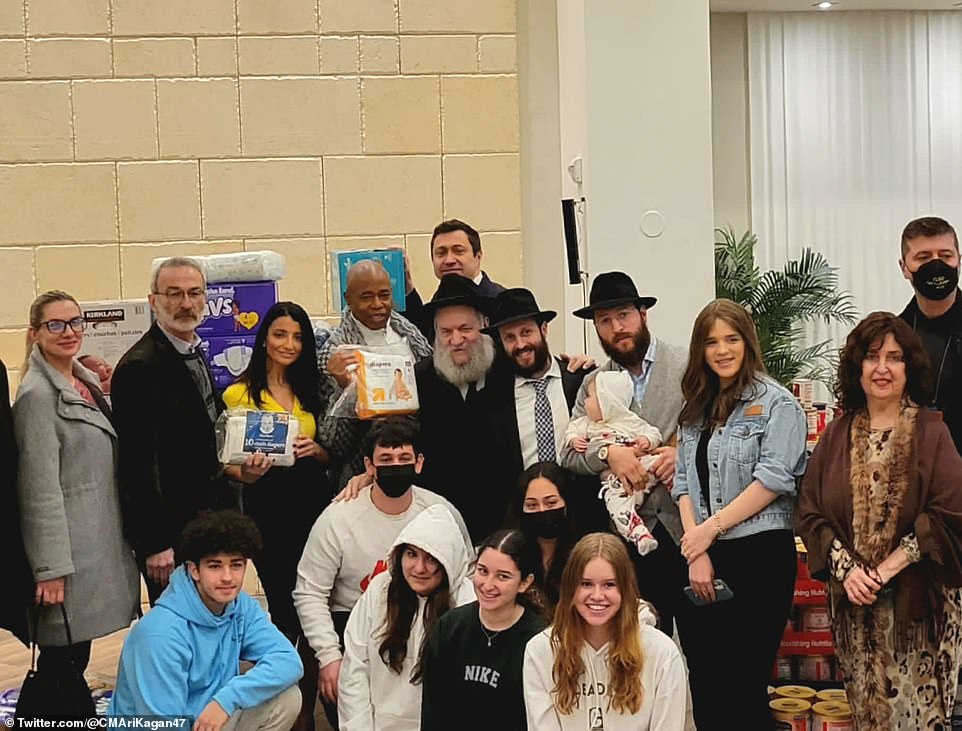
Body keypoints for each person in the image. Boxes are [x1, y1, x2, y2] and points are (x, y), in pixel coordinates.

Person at [797, 312, 962, 729]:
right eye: (872, 357)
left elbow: (950, 513)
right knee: (868, 719)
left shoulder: (932, 432)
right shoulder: (835, 435)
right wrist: (848, 570)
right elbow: (810, 512)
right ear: (858, 367)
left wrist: (886, 569)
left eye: (895, 357)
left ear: (911, 367)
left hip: (919, 616)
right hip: (854, 614)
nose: (883, 368)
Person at [672, 298, 806, 731]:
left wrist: (710, 530)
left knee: (743, 687)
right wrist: (697, 550)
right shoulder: (694, 408)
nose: (722, 350)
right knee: (706, 684)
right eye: (711, 342)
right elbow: (683, 483)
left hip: (759, 556)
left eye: (731, 339)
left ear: (747, 342)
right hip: (702, 557)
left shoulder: (777, 404)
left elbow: (772, 480)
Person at [294, 417, 472, 730]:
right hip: (351, 624)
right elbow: (309, 592)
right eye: (385, 460)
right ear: (369, 466)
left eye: (404, 459)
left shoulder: (441, 512)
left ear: (419, 463)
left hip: (429, 621)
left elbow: (464, 576)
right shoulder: (338, 517)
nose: (395, 466)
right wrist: (329, 657)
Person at [13, 291, 139, 685]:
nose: (68, 332)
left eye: (74, 323)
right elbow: (39, 490)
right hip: (68, 556)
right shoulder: (37, 397)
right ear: (35, 333)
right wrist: (49, 569)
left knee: (74, 659)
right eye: (55, 324)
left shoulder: (82, 381)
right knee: (61, 663)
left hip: (94, 544)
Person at [222, 301, 333, 731]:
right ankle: (281, 700)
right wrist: (245, 473)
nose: (289, 344)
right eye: (281, 334)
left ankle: (306, 710)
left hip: (315, 507)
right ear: (264, 338)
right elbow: (226, 463)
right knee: (286, 611)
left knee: (315, 604)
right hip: (269, 511)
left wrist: (317, 450)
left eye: (298, 337)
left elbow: (331, 452)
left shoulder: (314, 389)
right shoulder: (238, 393)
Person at [560, 271, 689, 635]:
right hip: (631, 539)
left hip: (688, 529)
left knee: (702, 649)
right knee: (639, 646)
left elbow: (716, 428)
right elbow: (568, 454)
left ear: (643, 315)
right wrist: (609, 454)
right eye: (605, 321)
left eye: (623, 316)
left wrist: (680, 454)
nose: (616, 327)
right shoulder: (593, 382)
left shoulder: (686, 365)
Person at [112, 256, 239, 605]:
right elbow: (137, 464)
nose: (185, 303)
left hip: (207, 523)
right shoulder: (140, 367)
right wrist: (155, 543)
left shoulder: (193, 351)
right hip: (171, 536)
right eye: (174, 293)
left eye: (194, 292)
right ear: (154, 301)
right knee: (181, 632)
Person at [109, 510, 303, 727]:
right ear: (194, 570)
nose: (228, 577)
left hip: (208, 717)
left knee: (286, 697)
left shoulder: (240, 606)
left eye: (236, 565)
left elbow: (288, 660)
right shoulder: (159, 634)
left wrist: (226, 700)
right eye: (215, 566)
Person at [523, 533, 687, 730]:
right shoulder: (540, 651)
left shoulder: (662, 653)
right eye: (586, 584)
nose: (597, 596)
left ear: (626, 589)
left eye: (609, 584)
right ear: (570, 588)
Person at [338, 504, 475, 730]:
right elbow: (355, 669)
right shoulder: (380, 590)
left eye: (431, 558)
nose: (419, 568)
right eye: (411, 554)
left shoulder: (466, 602)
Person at [317, 260, 432, 487]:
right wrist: (344, 390)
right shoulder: (334, 354)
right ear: (348, 298)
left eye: (384, 295)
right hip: (364, 472)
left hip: (420, 463)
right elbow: (333, 443)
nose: (377, 304)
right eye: (366, 297)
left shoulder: (412, 337)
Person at [420, 529, 548, 731]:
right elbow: (433, 710)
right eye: (482, 571)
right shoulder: (449, 627)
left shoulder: (540, 640)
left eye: (502, 576)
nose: (488, 585)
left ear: (525, 582)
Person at [414, 274, 510, 542]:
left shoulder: (509, 372)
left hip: (505, 525)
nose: (456, 339)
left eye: (465, 328)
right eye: (446, 332)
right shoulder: (419, 380)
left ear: (485, 325)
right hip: (441, 525)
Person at [483, 288, 595, 494]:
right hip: (524, 512)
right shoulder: (491, 398)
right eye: (509, 337)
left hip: (582, 509)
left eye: (526, 332)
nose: (520, 344)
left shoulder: (581, 379)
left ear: (543, 329)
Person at [564, 371, 662, 555]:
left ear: (606, 401)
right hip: (617, 483)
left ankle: (673, 486)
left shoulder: (628, 420)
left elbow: (653, 432)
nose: (585, 402)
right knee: (616, 505)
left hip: (644, 469)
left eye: (590, 397)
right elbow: (571, 432)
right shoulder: (588, 423)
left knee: (659, 462)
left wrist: (647, 440)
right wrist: (573, 439)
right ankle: (639, 534)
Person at [897, 215, 962, 451]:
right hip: (913, 467)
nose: (936, 265)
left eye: (945, 256)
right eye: (923, 258)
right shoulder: (894, 335)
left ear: (959, 262)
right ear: (904, 268)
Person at [400, 219, 505, 336]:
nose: (449, 260)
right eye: (441, 253)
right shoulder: (437, 302)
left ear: (478, 256)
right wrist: (407, 287)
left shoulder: (503, 303)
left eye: (458, 251)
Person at [504, 462, 581, 616]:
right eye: (532, 505)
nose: (542, 510)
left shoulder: (584, 555)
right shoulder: (508, 555)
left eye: (551, 503)